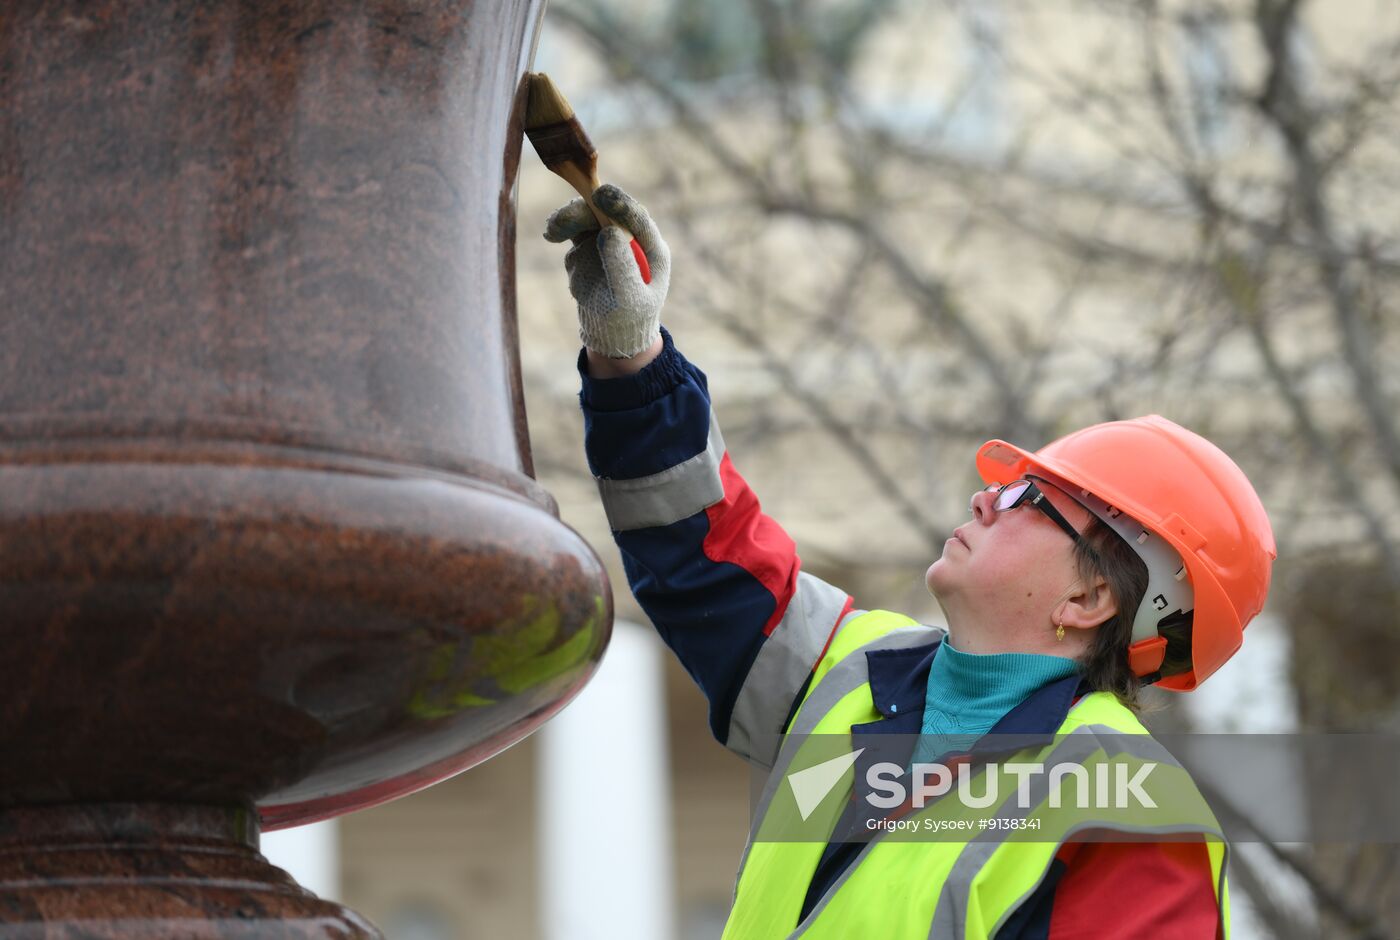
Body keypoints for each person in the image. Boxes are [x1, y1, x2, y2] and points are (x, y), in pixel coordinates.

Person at [546, 184, 1275, 939]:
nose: (985, 499)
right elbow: (705, 552)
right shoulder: (845, 673)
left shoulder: (1128, 816)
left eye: (1029, 497)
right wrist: (631, 355)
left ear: (1090, 599)